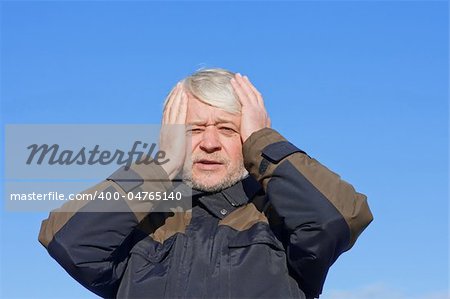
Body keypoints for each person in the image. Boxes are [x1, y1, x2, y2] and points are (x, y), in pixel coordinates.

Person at [39, 68, 373, 299]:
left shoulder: (279, 218)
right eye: (194, 129)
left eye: (228, 129)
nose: (209, 143)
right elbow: (67, 242)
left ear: (248, 137)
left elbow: (340, 218)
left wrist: (264, 143)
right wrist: (161, 168)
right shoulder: (143, 222)